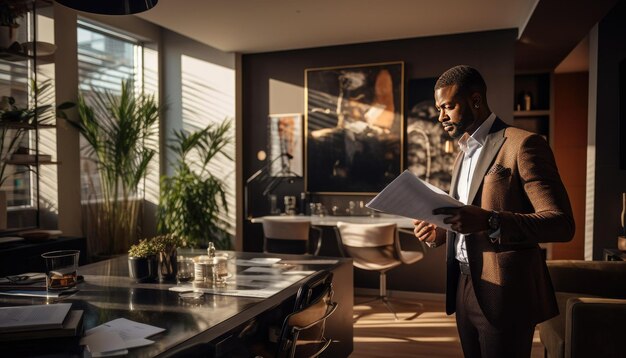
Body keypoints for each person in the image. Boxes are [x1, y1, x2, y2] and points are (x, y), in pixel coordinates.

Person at [413, 65, 574, 358]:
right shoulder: (462, 153)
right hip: (462, 284)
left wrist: (490, 220)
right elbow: (465, 219)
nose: (441, 117)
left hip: (506, 292)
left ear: (476, 100)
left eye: (448, 106)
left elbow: (561, 224)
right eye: (439, 108)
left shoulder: (524, 145)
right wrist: (440, 231)